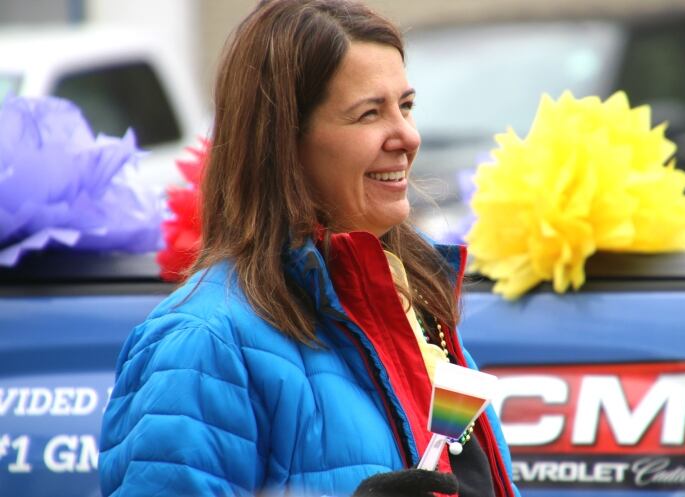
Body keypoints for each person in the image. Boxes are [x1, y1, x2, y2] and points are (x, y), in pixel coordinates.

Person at [98, 1, 520, 496]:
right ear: (284, 143)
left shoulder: (410, 301)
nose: (408, 136)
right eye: (369, 114)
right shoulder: (203, 341)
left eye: (405, 106)